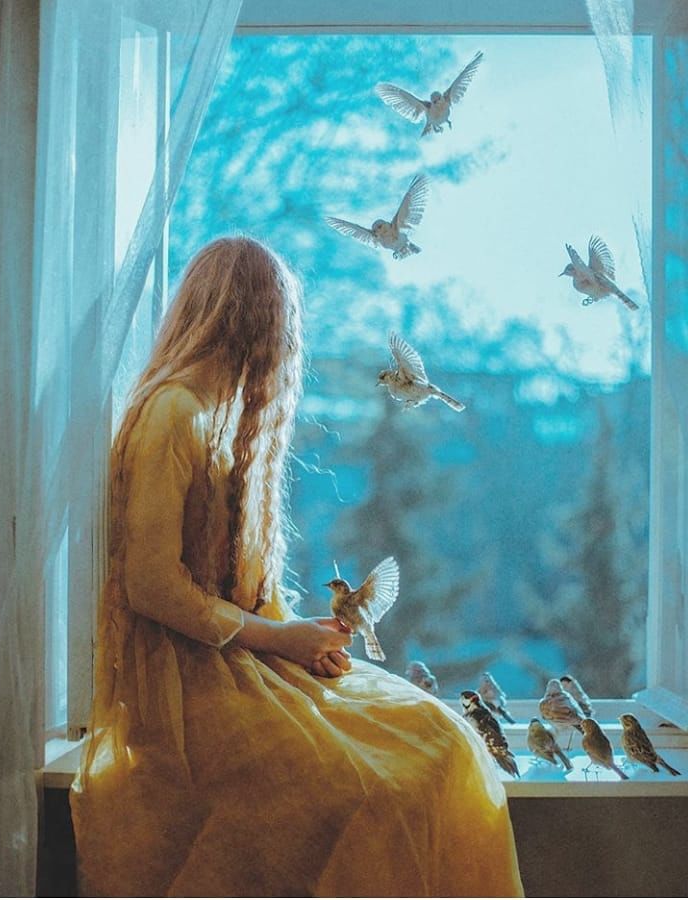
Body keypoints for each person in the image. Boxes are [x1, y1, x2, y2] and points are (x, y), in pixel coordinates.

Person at [70, 235, 523, 897]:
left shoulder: (217, 417)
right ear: (253, 322)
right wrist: (280, 640)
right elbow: (152, 586)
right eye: (279, 323)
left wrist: (299, 641)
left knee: (444, 738)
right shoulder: (173, 413)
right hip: (183, 692)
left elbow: (231, 589)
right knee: (375, 789)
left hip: (234, 665)